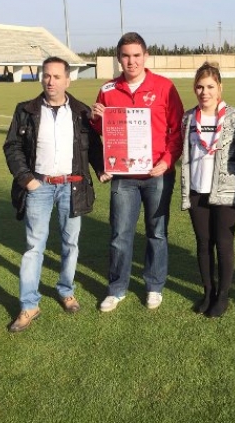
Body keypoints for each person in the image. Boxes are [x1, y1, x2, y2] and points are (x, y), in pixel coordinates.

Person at [3, 56, 108, 333]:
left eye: (56, 76)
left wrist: (100, 169)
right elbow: (12, 147)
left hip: (72, 186)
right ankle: (29, 304)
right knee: (33, 247)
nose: (51, 81)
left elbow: (93, 145)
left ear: (67, 80)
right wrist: (27, 179)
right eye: (46, 76)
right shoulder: (25, 110)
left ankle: (65, 290)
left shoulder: (82, 112)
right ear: (42, 78)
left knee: (69, 244)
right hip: (39, 186)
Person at [91, 32, 184, 312]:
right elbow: (103, 131)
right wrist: (96, 119)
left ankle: (154, 285)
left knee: (157, 232)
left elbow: (176, 130)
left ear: (145, 56)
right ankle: (117, 287)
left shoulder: (165, 87)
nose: (131, 61)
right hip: (124, 176)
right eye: (125, 56)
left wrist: (167, 161)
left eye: (136, 55)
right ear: (119, 59)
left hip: (157, 174)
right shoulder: (108, 90)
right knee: (120, 233)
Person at [181, 62, 235, 317]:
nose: (204, 92)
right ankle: (208, 291)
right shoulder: (188, 117)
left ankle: (223, 296)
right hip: (197, 189)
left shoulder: (234, 117)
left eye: (209, 86)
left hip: (226, 191)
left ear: (220, 88)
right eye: (199, 86)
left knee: (224, 242)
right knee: (203, 243)